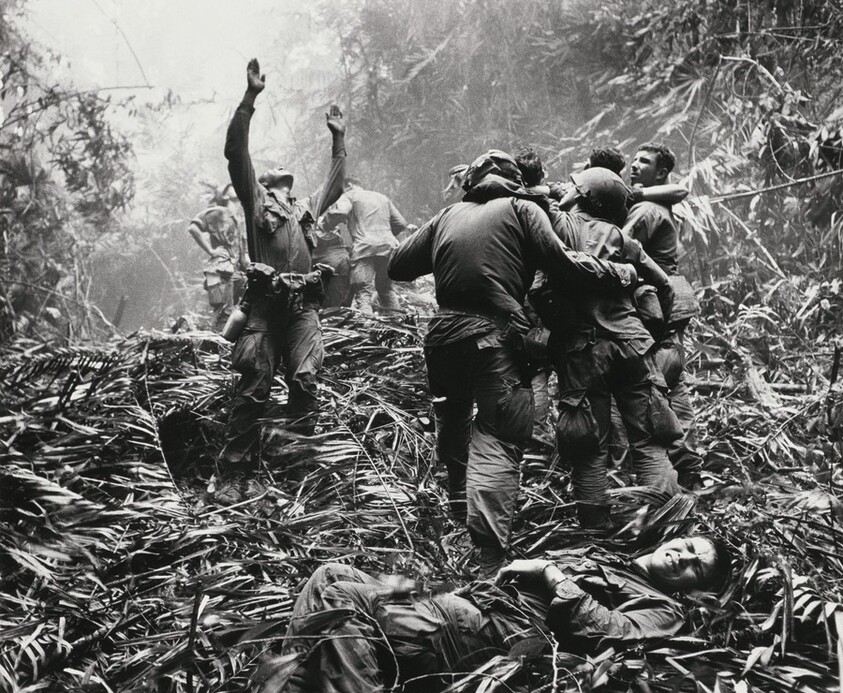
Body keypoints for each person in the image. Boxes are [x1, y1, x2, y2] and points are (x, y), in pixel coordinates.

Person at [387, 150, 638, 576]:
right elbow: (563, 265)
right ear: (516, 181)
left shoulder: (448, 214)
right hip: (494, 336)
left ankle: (457, 512)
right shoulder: (522, 209)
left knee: (453, 419)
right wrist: (621, 274)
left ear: (471, 181)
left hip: (442, 336)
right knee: (498, 436)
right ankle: (488, 559)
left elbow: (397, 267)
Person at [260, 533, 731, 693]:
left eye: (695, 565)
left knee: (344, 596)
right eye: (688, 545)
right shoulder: (609, 556)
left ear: (696, 589)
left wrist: (550, 572)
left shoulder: (666, 608)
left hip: (495, 632)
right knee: (329, 574)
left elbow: (606, 632)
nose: (683, 556)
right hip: (470, 605)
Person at [217, 57, 346, 495]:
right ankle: (234, 472)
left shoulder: (304, 208)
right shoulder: (255, 199)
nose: (281, 170)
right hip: (264, 306)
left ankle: (297, 463)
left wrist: (339, 138)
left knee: (305, 380)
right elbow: (236, 153)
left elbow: (335, 184)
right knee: (255, 386)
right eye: (275, 171)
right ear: (269, 181)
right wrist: (249, 98)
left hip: (303, 307)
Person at [530, 166, 682, 528]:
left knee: (588, 447)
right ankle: (667, 524)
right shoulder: (622, 238)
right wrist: (651, 330)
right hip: (633, 345)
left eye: (573, 185)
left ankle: (596, 532)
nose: (567, 188)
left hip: (584, 351)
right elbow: (665, 285)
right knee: (650, 440)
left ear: (584, 196)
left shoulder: (558, 224)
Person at [624, 143, 702, 487]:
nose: (634, 165)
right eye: (634, 159)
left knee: (654, 382)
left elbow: (618, 248)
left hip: (655, 304)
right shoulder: (656, 204)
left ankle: (666, 472)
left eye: (644, 162)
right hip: (666, 302)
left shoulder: (645, 210)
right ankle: (688, 468)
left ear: (661, 173)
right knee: (673, 382)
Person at [322, 177, 410, 314]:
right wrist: (383, 236)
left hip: (364, 249)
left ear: (349, 185)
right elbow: (401, 223)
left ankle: (367, 325)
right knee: (386, 289)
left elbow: (340, 212)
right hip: (389, 248)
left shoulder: (349, 195)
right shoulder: (382, 197)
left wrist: (325, 225)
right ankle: (397, 323)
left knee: (364, 292)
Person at [187, 185, 248, 332]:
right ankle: (218, 340)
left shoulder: (237, 218)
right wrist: (211, 251)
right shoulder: (219, 212)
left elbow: (242, 255)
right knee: (224, 313)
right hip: (220, 270)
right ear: (225, 195)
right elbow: (193, 228)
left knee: (239, 305)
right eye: (230, 188)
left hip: (233, 271)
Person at [313, 204, 353, 309]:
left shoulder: (335, 231)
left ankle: (334, 308)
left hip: (336, 261)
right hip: (320, 257)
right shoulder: (315, 225)